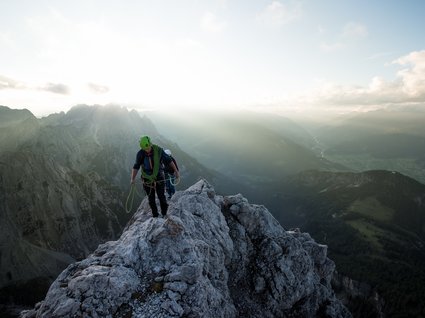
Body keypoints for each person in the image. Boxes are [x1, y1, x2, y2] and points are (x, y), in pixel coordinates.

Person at [131, 136, 179, 217]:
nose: (147, 149)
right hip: (147, 179)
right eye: (145, 149)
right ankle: (155, 215)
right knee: (151, 198)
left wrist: (176, 172)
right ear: (142, 148)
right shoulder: (140, 154)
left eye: (148, 147)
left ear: (150, 144)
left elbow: (169, 160)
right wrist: (132, 178)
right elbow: (136, 166)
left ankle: (164, 213)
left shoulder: (159, 151)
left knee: (161, 196)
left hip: (159, 176)